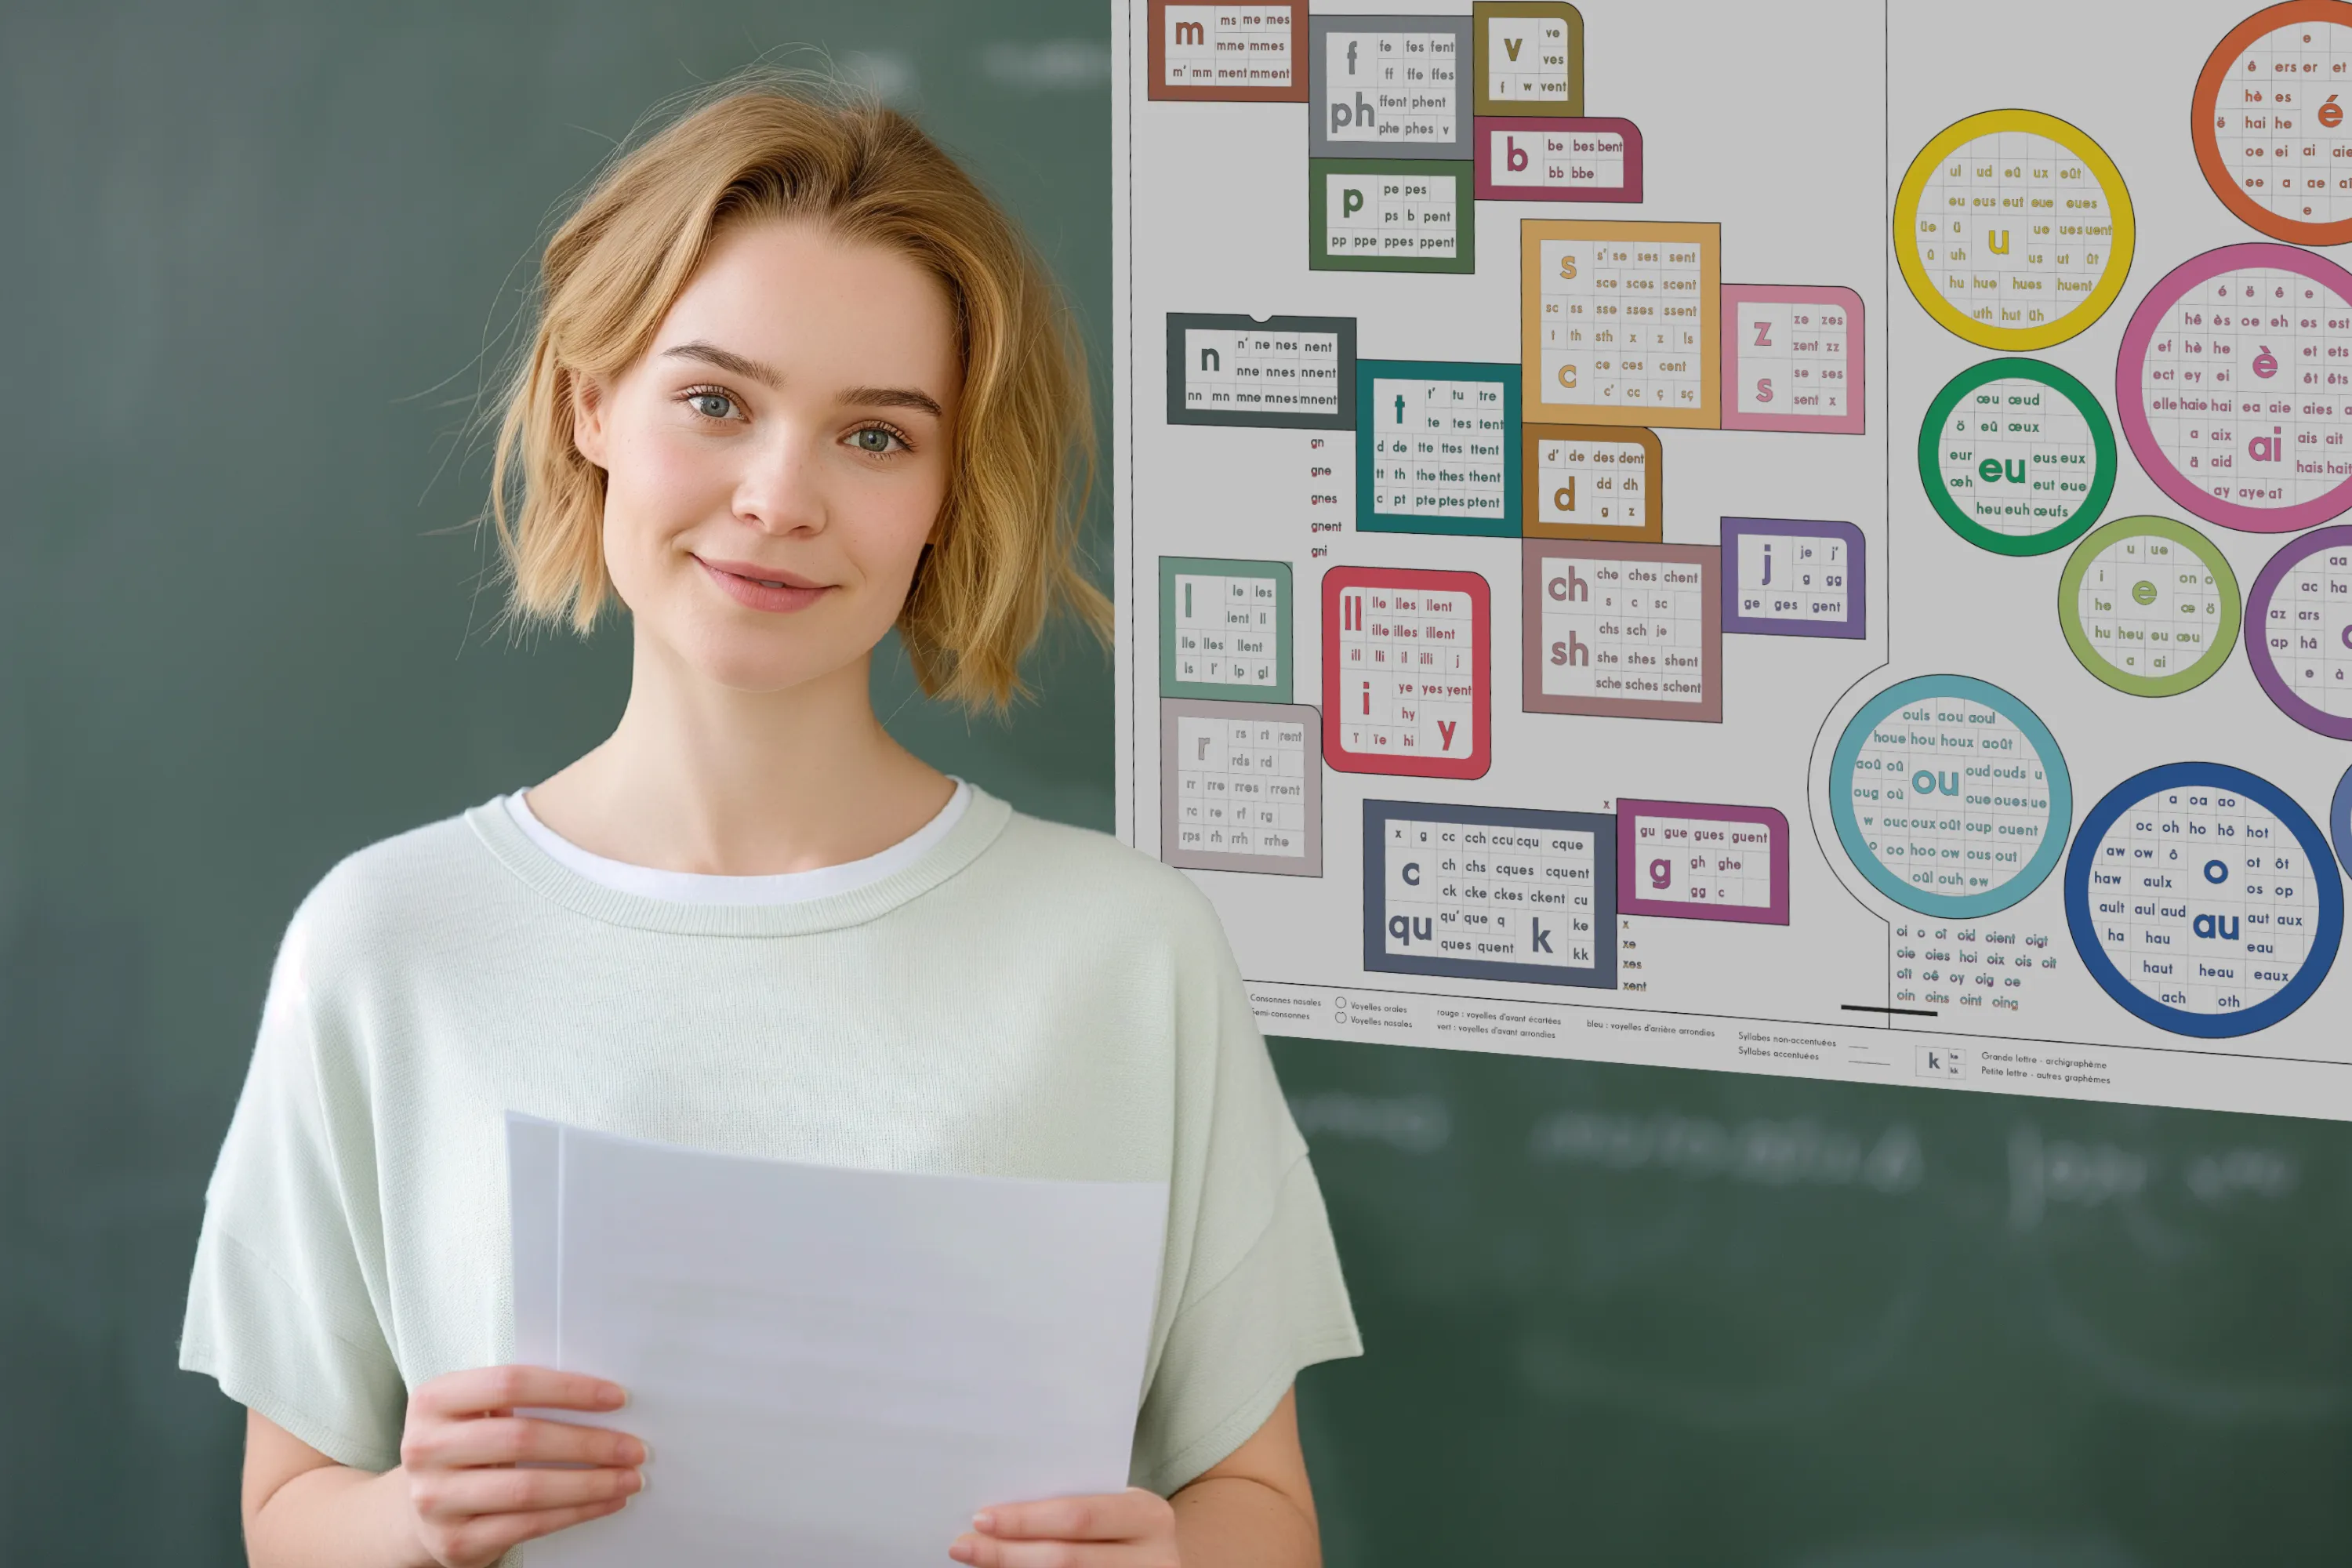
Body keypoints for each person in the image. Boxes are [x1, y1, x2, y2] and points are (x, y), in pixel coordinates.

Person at [178, 73, 1360, 1568]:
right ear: (588, 403)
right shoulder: (389, 941)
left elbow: (1261, 1510)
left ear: (946, 491)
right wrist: (416, 1521)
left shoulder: (1127, 951)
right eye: (715, 402)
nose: (778, 498)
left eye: (876, 437)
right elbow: (286, 1509)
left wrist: (1175, 1562)